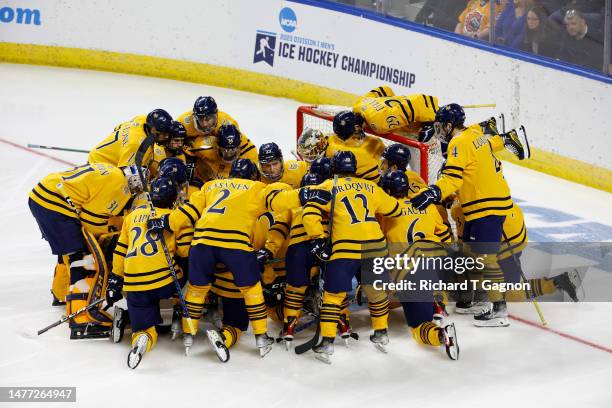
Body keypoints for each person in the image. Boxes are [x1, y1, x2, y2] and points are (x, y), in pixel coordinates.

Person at [146, 159, 290, 357]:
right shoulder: (257, 188)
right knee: (252, 289)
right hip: (234, 247)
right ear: (253, 176)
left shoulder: (211, 185)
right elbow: (282, 202)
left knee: (196, 290)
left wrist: (166, 221)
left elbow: (188, 212)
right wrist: (304, 195)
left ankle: (189, 334)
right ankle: (261, 337)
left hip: (202, 244)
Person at [411, 104, 528, 326]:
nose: (439, 131)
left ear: (449, 125)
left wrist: (433, 192)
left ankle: (499, 310)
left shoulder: (458, 142)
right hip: (485, 204)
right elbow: (478, 160)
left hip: (486, 207)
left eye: (440, 126)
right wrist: (508, 138)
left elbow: (453, 178)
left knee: (485, 259)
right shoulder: (475, 133)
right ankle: (482, 300)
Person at [301, 151, 404, 363]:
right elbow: (395, 209)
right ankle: (381, 332)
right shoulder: (371, 187)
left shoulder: (329, 185)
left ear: (334, 168)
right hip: (374, 246)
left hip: (345, 247)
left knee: (333, 295)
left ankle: (327, 343)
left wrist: (317, 239)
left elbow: (309, 212)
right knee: (377, 293)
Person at [29, 163, 137, 338]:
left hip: (43, 196)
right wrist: (110, 240)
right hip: (54, 204)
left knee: (70, 252)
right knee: (85, 260)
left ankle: (62, 293)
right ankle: (82, 320)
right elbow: (91, 224)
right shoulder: (119, 186)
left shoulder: (112, 172)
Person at [109, 177, 192, 368]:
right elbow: (186, 252)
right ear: (173, 198)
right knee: (188, 270)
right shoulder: (175, 217)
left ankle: (142, 337)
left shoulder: (131, 217)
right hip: (165, 283)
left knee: (143, 326)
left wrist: (115, 278)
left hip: (134, 285)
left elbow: (120, 250)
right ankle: (181, 309)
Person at [379, 170, 459, 360]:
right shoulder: (427, 205)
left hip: (411, 272)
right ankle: (439, 301)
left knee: (418, 328)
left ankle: (441, 336)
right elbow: (445, 234)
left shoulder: (385, 212)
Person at [88, 109, 173, 169]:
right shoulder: (137, 145)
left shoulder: (142, 119)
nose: (166, 137)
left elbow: (118, 127)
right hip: (100, 164)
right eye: (164, 133)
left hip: (101, 153)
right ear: (153, 130)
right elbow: (128, 176)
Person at [351, 86, 440, 141]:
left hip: (429, 120)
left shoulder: (379, 124)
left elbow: (412, 106)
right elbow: (384, 90)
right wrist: (390, 106)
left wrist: (429, 123)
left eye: (352, 134)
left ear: (357, 127)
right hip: (421, 110)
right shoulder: (358, 105)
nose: (353, 138)